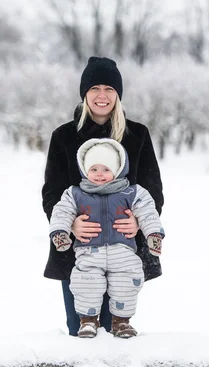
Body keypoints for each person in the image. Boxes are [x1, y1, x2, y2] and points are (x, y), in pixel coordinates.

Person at [41, 56, 165, 337]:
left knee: (118, 328)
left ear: (118, 94)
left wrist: (138, 224)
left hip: (125, 249)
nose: (102, 95)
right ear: (85, 93)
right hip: (79, 250)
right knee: (81, 330)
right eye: (95, 88)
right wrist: (70, 226)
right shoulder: (64, 136)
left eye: (109, 89)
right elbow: (52, 192)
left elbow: (152, 190)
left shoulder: (137, 135)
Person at [49, 138, 164, 338]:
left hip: (123, 251)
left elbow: (148, 212)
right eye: (93, 169)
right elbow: (61, 212)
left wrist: (153, 233)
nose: (99, 174)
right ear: (85, 170)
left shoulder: (132, 192)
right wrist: (61, 232)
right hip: (89, 251)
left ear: (118, 169)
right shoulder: (75, 193)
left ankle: (121, 322)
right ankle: (87, 321)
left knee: (127, 282)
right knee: (86, 282)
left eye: (105, 169)